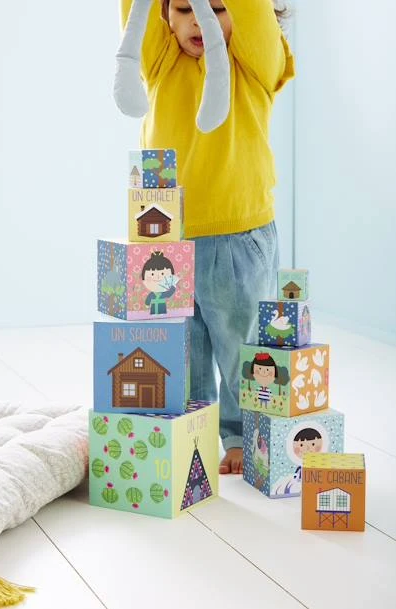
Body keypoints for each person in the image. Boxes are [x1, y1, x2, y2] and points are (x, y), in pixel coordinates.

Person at [118, 0, 295, 474]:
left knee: (243, 351)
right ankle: (189, 435)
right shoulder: (161, 61)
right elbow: (134, 11)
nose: (199, 19)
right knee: (183, 353)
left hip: (237, 238)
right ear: (165, 16)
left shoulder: (254, 65)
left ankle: (243, 436)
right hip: (164, 242)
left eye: (217, 8)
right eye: (185, 8)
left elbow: (254, 16)